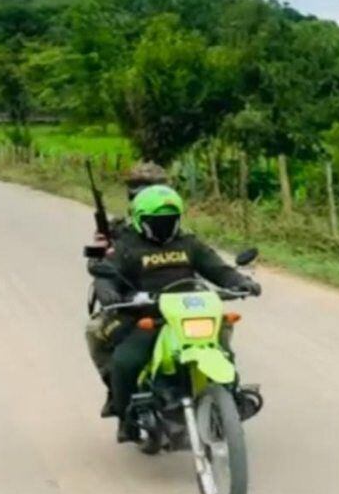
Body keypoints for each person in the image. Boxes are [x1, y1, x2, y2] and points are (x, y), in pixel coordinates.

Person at [96, 184, 261, 441]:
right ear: (140, 219)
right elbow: (107, 273)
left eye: (170, 220)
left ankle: (231, 400)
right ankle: (126, 418)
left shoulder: (188, 243)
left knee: (223, 351)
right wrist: (108, 291)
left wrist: (240, 282)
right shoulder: (126, 245)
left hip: (190, 315)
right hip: (149, 317)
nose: (164, 225)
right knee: (125, 361)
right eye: (157, 221)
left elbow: (217, 269)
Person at [84, 162, 169, 391]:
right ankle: (119, 391)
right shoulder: (117, 228)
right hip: (131, 301)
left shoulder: (176, 223)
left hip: (177, 298)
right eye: (138, 187)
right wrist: (100, 249)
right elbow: (96, 263)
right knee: (96, 331)